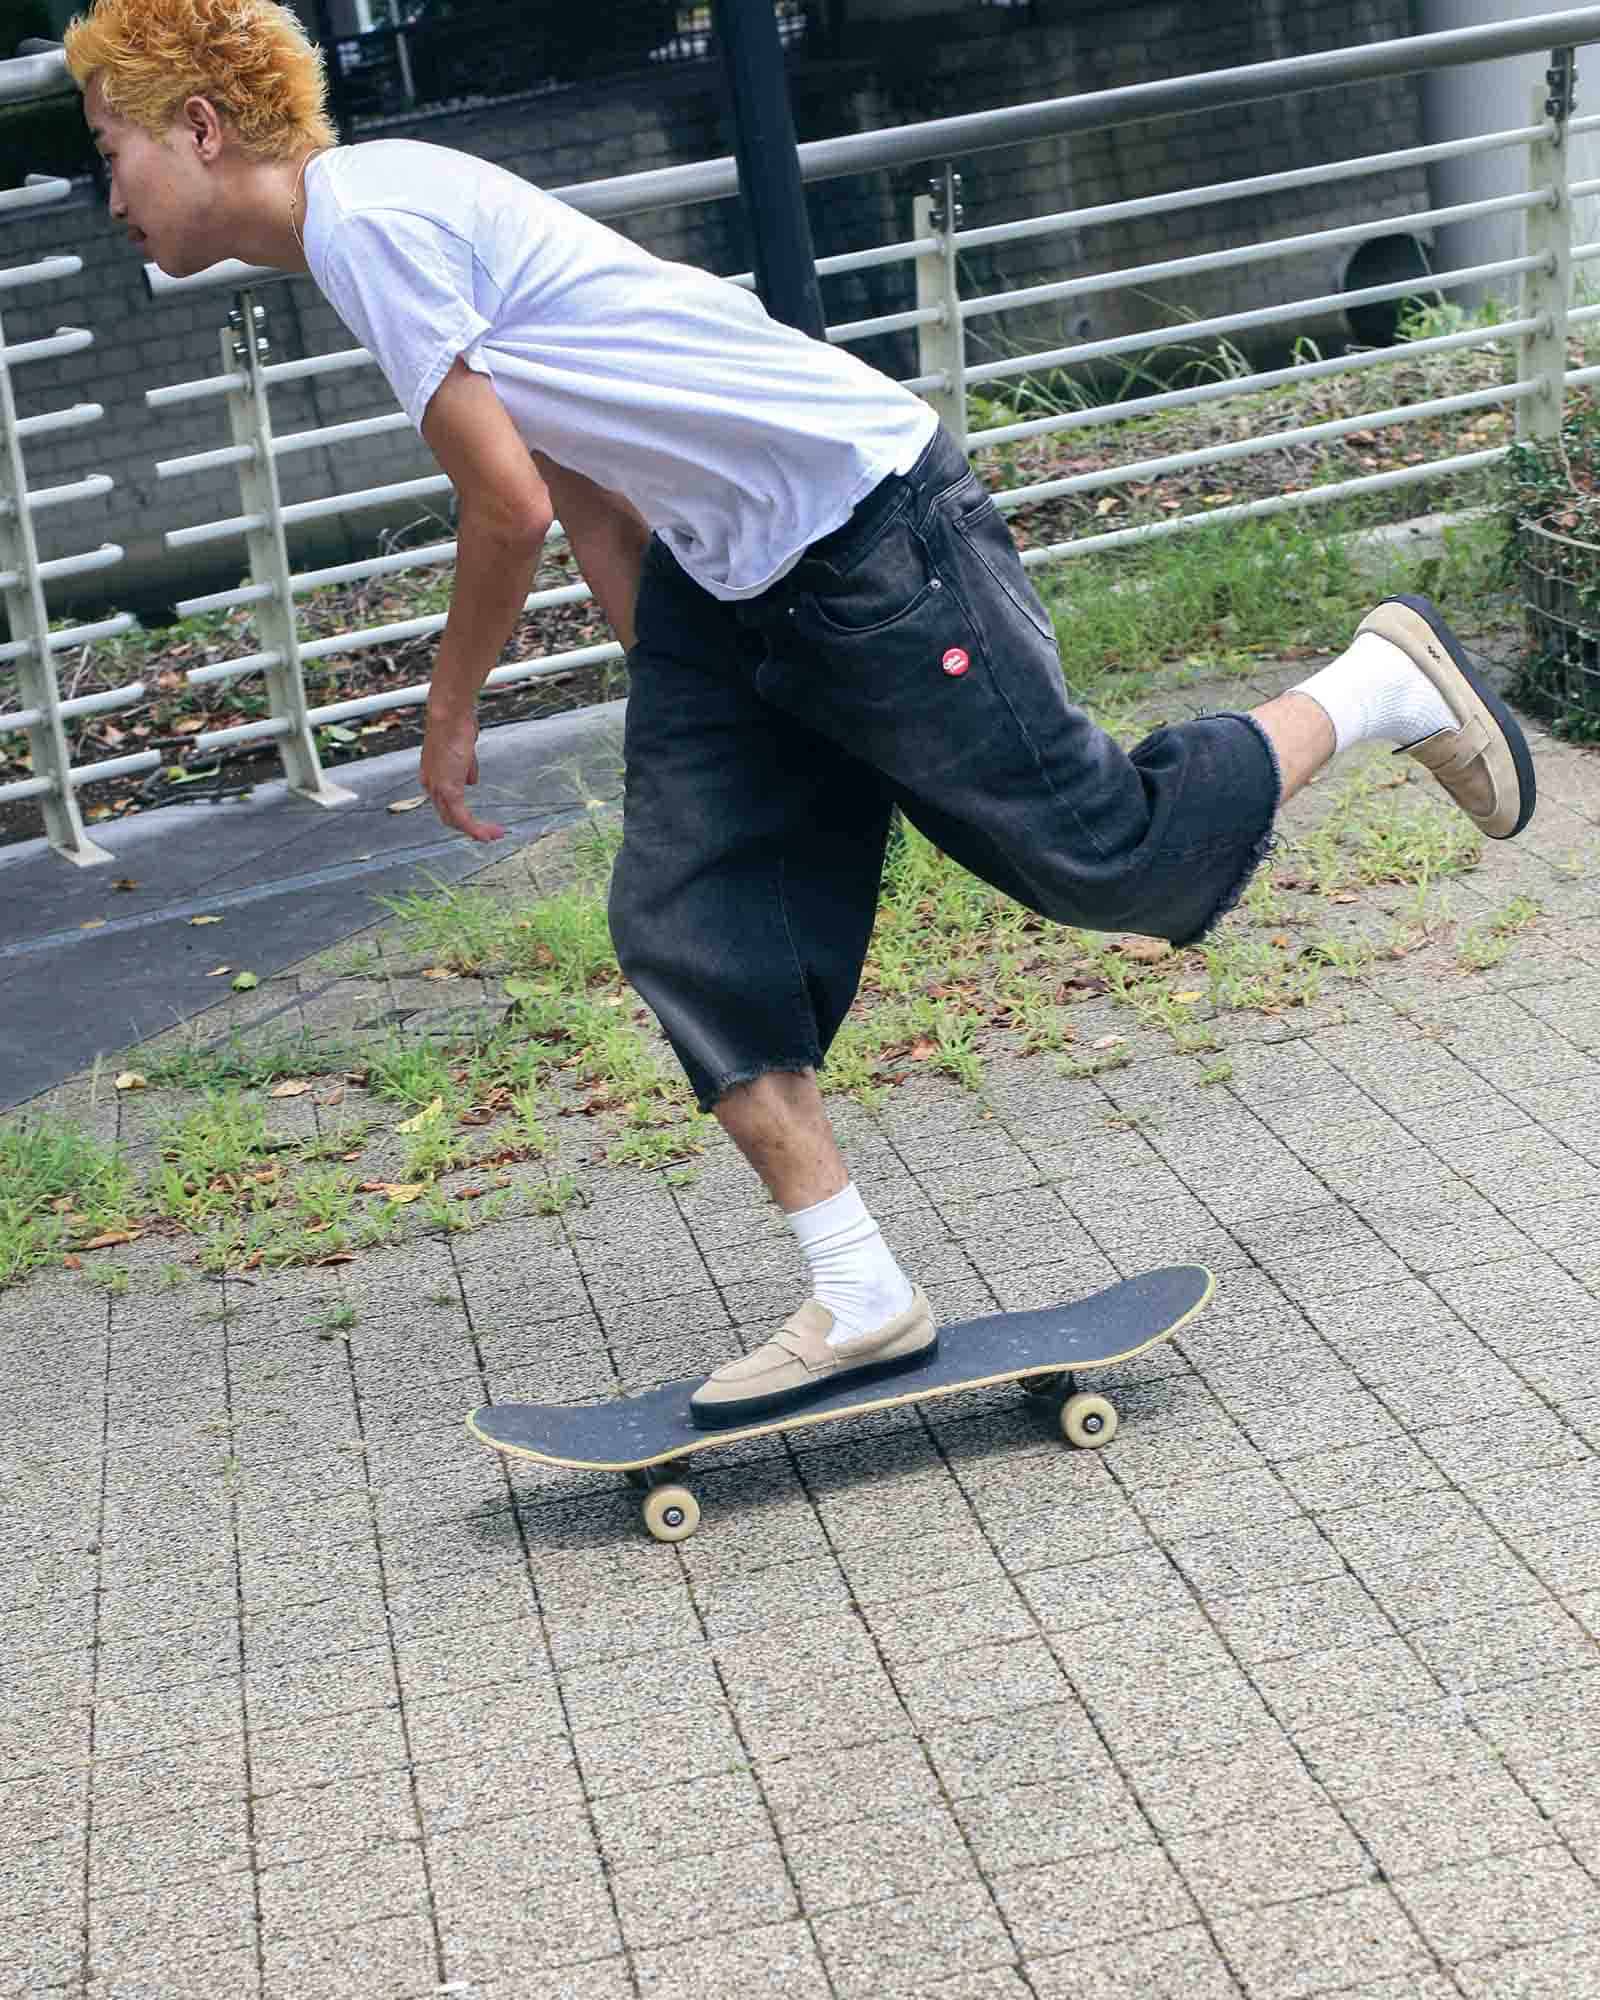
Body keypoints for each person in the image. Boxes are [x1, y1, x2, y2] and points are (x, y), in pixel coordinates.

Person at [67, 0, 1535, 1428]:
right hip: (734, 583)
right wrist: (688, 704)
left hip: (869, 535)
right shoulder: (374, 219)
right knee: (693, 928)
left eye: (109, 148)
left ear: (199, 126)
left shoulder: (369, 225)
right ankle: (859, 1287)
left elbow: (504, 506)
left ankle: (1382, 682)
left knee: (1106, 859)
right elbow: (577, 468)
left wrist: (448, 717)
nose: (109, 195)